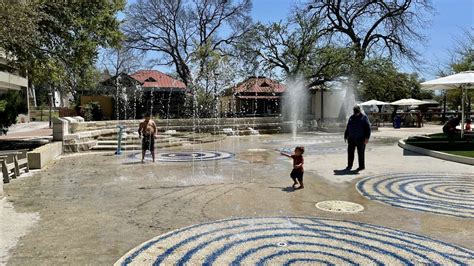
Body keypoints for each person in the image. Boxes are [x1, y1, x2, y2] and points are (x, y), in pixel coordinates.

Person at [344, 105, 371, 171]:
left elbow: (368, 128)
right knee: (350, 152)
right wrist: (346, 135)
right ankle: (349, 165)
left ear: (359, 111)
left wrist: (367, 138)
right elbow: (348, 127)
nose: (355, 113)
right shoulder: (351, 117)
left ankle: (361, 166)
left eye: (356, 111)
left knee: (361, 153)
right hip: (351, 138)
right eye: (354, 111)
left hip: (361, 139)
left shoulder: (364, 118)